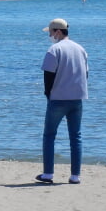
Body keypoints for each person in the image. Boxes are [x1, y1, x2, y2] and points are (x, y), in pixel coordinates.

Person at [37, 18, 89, 184]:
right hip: (77, 98)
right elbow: (85, 74)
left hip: (58, 98)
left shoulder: (55, 49)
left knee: (49, 135)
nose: (50, 35)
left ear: (57, 31)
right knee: (76, 136)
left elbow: (48, 75)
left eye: (51, 32)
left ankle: (48, 173)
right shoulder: (80, 49)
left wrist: (48, 94)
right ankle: (75, 175)